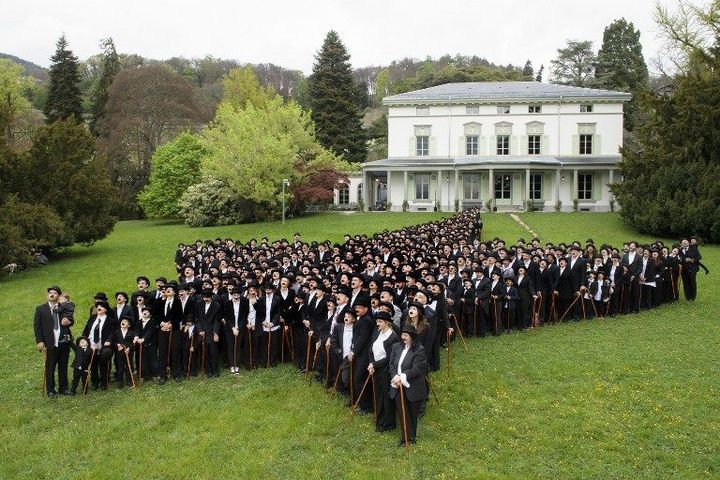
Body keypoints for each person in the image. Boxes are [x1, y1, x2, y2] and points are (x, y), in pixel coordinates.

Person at [388, 323, 428, 447]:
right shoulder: (396, 347)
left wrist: (402, 377)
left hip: (412, 386)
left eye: (406, 335)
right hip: (398, 385)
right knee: (401, 411)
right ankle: (405, 437)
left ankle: (411, 438)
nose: (403, 337)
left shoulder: (419, 350)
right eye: (402, 334)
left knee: (411, 412)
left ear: (412, 336)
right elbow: (392, 365)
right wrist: (395, 376)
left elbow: (418, 369)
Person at [367, 310, 400, 429]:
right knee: (378, 395)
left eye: (380, 322)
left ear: (387, 323)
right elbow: (371, 349)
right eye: (377, 321)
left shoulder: (393, 337)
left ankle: (389, 423)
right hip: (375, 369)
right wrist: (371, 362)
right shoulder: (377, 333)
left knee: (386, 396)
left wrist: (374, 364)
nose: (377, 324)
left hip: (386, 371)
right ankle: (379, 419)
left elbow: (389, 358)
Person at [81, 300, 115, 390]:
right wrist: (84, 340)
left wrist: (108, 341)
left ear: (106, 309)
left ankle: (104, 383)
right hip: (91, 344)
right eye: (98, 306)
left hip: (103, 345)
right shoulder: (92, 318)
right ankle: (94, 382)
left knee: (103, 363)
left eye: (101, 306)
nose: (99, 308)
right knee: (93, 364)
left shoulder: (110, 320)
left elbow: (112, 333)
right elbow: (86, 330)